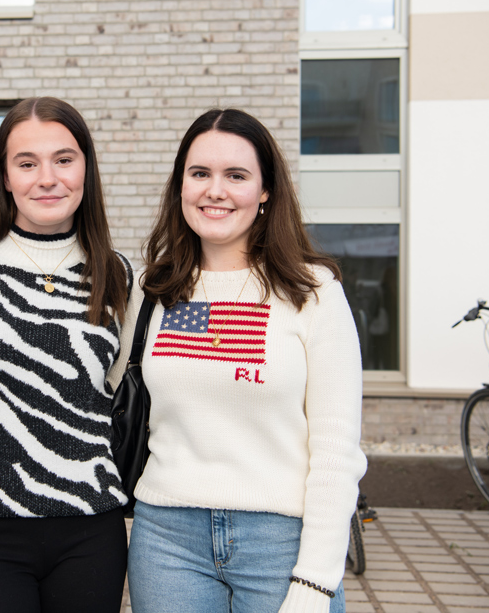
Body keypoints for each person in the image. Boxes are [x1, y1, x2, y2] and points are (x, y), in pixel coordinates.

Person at [120, 109, 366, 613]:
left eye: (236, 175)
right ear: (180, 186)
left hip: (280, 542)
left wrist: (317, 580)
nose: (216, 190)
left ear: (265, 190)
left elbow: (336, 450)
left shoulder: (313, 292)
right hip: (166, 539)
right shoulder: (154, 291)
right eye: (199, 174)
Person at [0, 97, 132, 613]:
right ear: (6, 177)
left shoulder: (119, 275)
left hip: (89, 530)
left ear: (86, 169)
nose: (47, 178)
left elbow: (118, 396)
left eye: (64, 159)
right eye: (27, 163)